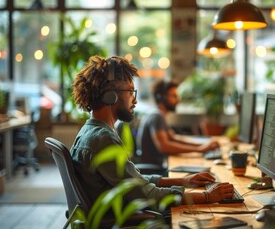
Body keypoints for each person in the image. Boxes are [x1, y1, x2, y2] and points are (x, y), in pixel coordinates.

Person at [70, 55, 234, 213]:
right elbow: (147, 195)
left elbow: (135, 183)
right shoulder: (103, 139)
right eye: (130, 92)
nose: (134, 100)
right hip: (128, 221)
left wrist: (183, 181)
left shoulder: (90, 132)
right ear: (111, 95)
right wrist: (206, 196)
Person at [136, 79, 220, 172]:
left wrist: (203, 145)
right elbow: (164, 146)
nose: (178, 100)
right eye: (174, 96)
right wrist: (199, 149)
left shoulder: (158, 115)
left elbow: (173, 138)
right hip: (157, 171)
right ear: (161, 97)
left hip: (162, 165)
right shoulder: (157, 117)